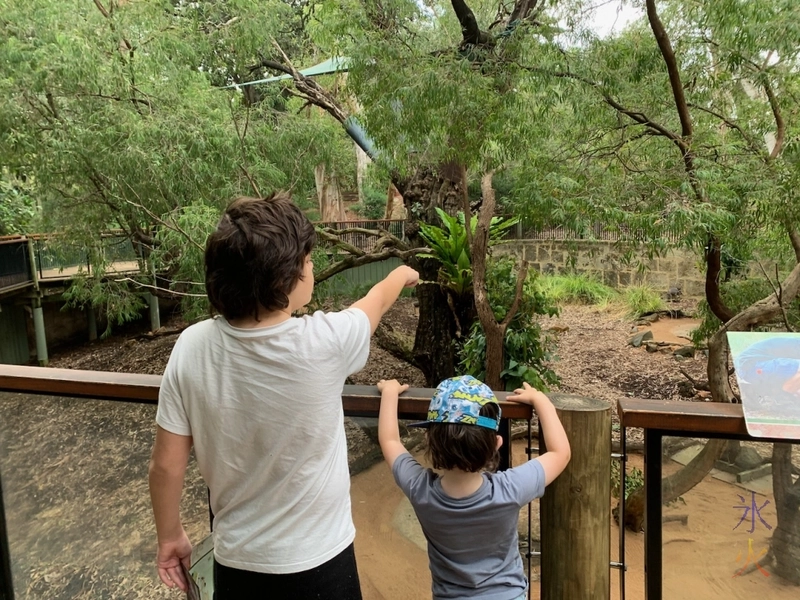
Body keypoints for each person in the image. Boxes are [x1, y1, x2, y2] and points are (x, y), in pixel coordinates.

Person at [148, 192, 419, 599]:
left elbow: (166, 465)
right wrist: (401, 274)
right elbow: (375, 302)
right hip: (322, 564)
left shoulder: (192, 346)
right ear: (284, 277)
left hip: (237, 564)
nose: (311, 268)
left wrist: (170, 536)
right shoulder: (324, 341)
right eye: (307, 261)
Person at [376, 376, 571, 600]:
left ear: (429, 440)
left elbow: (390, 441)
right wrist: (540, 400)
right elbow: (560, 453)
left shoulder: (420, 489)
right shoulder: (510, 489)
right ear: (496, 444)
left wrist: (389, 393)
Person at [733, 336, 800, 414]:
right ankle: (783, 400)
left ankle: (754, 390)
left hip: (749, 369)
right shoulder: (796, 344)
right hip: (753, 366)